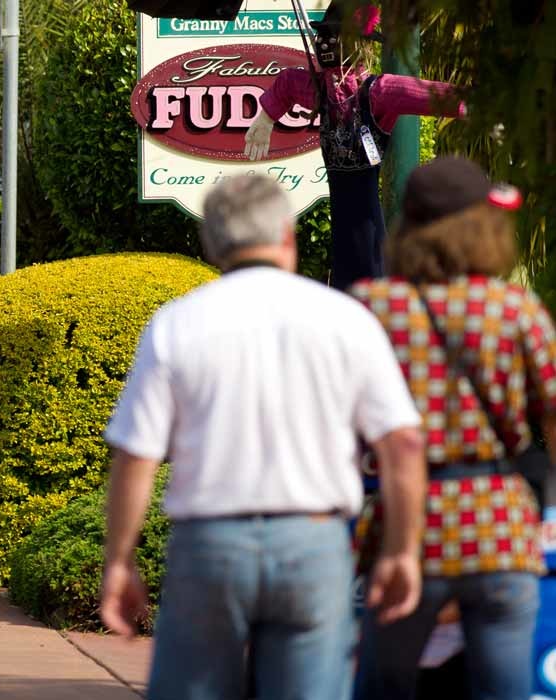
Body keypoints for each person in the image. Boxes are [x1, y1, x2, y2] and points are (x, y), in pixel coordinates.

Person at [100, 174, 427, 700]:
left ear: (212, 243)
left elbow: (137, 453)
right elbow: (403, 444)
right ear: (287, 235)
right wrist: (402, 550)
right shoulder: (346, 319)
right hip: (312, 542)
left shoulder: (177, 323)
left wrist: (119, 559)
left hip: (210, 545)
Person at [349, 156, 554, 700]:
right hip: (501, 528)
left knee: (383, 688)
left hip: (407, 529)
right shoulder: (515, 309)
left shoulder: (373, 308)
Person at [245, 2, 464, 291]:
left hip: (368, 231)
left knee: (371, 282)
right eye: (322, 35)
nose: (325, 42)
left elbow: (429, 95)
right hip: (342, 233)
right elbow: (287, 84)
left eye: (334, 35)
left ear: (358, 44)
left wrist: (480, 107)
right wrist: (265, 117)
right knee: (345, 286)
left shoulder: (377, 92)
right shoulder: (320, 90)